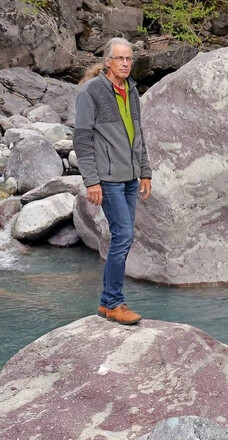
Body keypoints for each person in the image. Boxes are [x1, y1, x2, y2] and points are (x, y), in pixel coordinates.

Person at [74, 37, 152, 325]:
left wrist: (145, 171)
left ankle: (108, 303)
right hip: (108, 178)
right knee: (123, 236)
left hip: (130, 176)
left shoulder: (131, 90)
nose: (126, 63)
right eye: (120, 59)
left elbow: (138, 134)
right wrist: (91, 181)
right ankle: (115, 302)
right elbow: (81, 139)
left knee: (123, 236)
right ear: (107, 61)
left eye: (129, 59)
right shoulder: (91, 92)